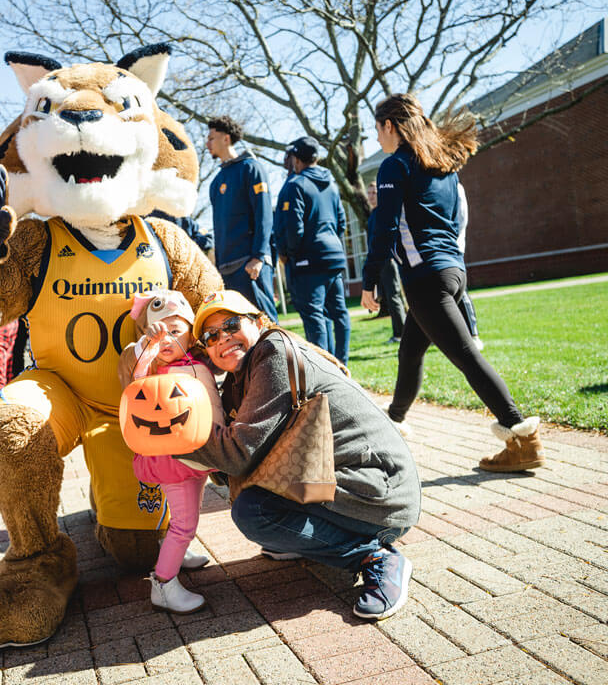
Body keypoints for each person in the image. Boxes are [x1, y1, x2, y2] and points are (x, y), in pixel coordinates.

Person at [185, 290, 421, 620]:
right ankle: (303, 539)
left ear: (258, 321)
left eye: (231, 324)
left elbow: (236, 456)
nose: (223, 337)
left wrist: (177, 433)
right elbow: (226, 471)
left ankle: (374, 557)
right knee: (256, 503)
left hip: (383, 494)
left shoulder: (272, 353)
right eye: (211, 336)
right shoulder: (239, 380)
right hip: (350, 481)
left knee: (256, 513)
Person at [362, 94, 544, 472]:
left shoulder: (394, 166)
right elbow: (458, 221)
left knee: (467, 358)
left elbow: (386, 227)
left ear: (389, 126)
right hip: (452, 272)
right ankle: (395, 419)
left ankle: (521, 436)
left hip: (426, 277)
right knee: (410, 350)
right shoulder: (442, 165)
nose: (376, 138)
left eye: (377, 129)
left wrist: (370, 281)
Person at [117, 290, 223, 614]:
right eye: (158, 331)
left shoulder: (195, 364)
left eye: (175, 331)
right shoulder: (149, 371)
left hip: (196, 455)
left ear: (191, 336)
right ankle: (163, 584)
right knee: (185, 522)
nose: (167, 338)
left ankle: (176, 547)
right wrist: (147, 347)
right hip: (172, 460)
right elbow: (137, 368)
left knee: (187, 512)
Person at [273, 136, 351, 364]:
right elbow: (341, 222)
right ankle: (342, 365)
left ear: (296, 158)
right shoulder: (332, 184)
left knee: (314, 315)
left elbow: (292, 227)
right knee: (338, 313)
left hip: (308, 261)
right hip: (333, 257)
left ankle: (324, 369)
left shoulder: (295, 185)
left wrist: (288, 253)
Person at [205, 116, 279, 321]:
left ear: (226, 139)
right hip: (227, 268)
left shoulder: (251, 168)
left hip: (250, 264)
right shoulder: (216, 182)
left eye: (212, 138)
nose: (207, 143)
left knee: (265, 322)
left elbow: (264, 214)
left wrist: (258, 256)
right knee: (240, 327)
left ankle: (281, 354)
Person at [365, 184, 406, 343]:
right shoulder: (373, 214)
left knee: (394, 296)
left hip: (388, 260)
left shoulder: (382, 213)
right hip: (380, 262)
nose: (371, 196)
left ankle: (400, 334)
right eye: (369, 193)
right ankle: (399, 332)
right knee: (389, 297)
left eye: (374, 193)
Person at [454, 184, 485, 351]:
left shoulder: (456, 187)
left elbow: (461, 219)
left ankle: (473, 334)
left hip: (453, 247)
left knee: (461, 291)